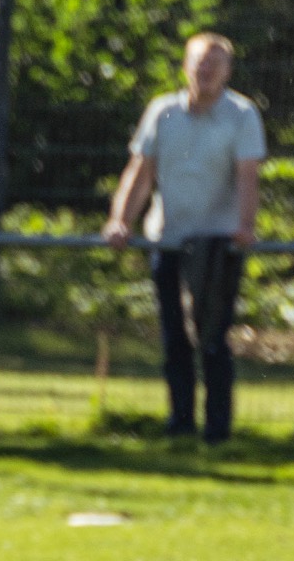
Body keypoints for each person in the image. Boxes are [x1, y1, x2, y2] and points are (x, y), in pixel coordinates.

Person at [103, 33, 266, 442]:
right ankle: (179, 423)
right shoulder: (163, 112)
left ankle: (217, 429)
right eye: (198, 63)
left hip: (218, 243)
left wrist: (246, 226)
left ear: (227, 71)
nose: (205, 70)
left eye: (214, 64)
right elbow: (140, 172)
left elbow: (248, 177)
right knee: (174, 336)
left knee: (212, 337)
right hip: (169, 240)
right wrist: (120, 220)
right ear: (185, 66)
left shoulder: (242, 115)